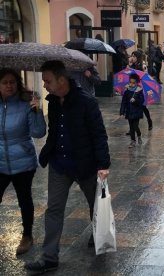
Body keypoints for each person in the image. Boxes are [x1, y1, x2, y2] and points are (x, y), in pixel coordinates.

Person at [24, 60, 110, 273]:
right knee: (53, 209)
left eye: (48, 81)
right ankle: (49, 256)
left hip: (85, 164)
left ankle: (100, 238)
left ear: (61, 80)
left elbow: (99, 134)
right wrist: (35, 112)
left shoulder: (86, 102)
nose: (44, 85)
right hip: (59, 164)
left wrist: (103, 164)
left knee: (96, 205)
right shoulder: (52, 101)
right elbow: (51, 131)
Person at [0, 69, 46, 255]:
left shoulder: (27, 103)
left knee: (24, 199)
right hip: (0, 160)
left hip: (23, 161)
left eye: (12, 82)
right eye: (5, 82)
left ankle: (27, 235)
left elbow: (38, 133)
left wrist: (36, 111)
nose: (9, 86)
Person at [127, 51, 153, 131]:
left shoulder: (143, 65)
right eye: (132, 56)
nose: (132, 58)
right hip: (132, 87)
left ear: (138, 57)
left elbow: (144, 76)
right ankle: (132, 128)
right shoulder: (133, 65)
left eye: (134, 56)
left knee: (142, 106)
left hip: (140, 88)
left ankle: (149, 120)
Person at [120, 74, 145, 147]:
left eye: (134, 83)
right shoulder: (127, 91)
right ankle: (133, 140)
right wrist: (122, 112)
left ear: (137, 83)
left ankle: (139, 135)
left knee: (135, 126)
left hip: (137, 112)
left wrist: (135, 100)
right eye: (130, 82)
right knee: (131, 127)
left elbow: (141, 101)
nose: (132, 84)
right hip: (129, 112)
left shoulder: (139, 91)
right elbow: (123, 102)